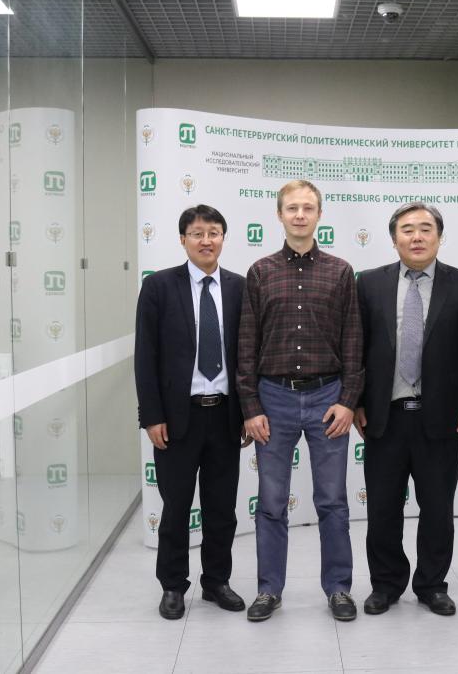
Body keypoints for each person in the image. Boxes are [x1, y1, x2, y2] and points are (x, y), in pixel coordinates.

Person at [237, 180, 364, 622]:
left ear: (319, 215)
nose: (300, 215)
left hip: (329, 397)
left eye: (308, 208)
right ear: (279, 214)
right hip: (273, 399)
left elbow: (353, 341)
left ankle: (339, 588)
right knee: (271, 503)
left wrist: (347, 400)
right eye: (292, 208)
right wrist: (251, 407)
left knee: (332, 501)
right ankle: (268, 589)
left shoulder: (341, 272)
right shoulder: (260, 272)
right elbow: (246, 344)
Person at [354, 203, 458, 617]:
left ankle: (432, 584)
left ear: (439, 237)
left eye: (426, 229)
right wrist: (356, 402)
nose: (416, 237)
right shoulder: (368, 283)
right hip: (384, 416)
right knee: (382, 509)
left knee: (437, 510)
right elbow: (356, 349)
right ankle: (386, 584)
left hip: (442, 418)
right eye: (407, 229)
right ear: (394, 238)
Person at [134, 204, 248, 620]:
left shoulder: (239, 287)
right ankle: (172, 586)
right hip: (177, 418)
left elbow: (248, 355)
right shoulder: (159, 287)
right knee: (176, 508)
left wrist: (249, 411)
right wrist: (152, 416)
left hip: (225, 416)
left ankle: (216, 581)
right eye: (197, 233)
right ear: (183, 239)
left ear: (223, 239)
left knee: (222, 509)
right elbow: (145, 355)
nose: (206, 240)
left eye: (214, 232)